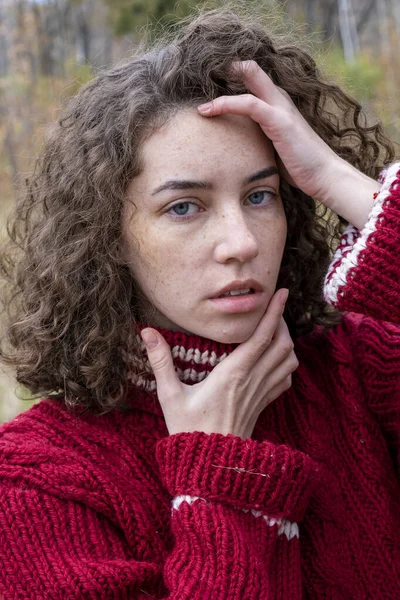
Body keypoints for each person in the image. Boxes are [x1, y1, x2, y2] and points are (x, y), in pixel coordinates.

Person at [0, 5, 399, 599]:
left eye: (261, 195)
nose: (241, 243)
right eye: (184, 207)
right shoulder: (41, 484)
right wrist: (219, 477)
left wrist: (337, 181)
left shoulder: (360, 371)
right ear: (107, 235)